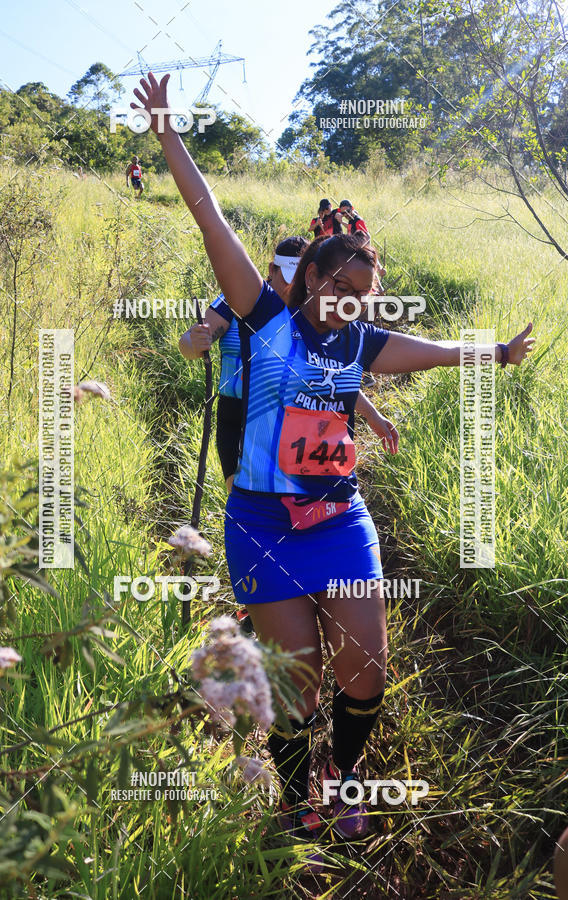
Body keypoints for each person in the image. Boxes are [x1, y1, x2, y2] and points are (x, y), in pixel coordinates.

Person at [132, 72, 535, 865]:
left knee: (365, 673)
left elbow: (438, 355)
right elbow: (209, 215)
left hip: (340, 521)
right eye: (348, 288)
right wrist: (169, 135)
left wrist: (495, 353)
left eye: (370, 295)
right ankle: (293, 796)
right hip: (260, 523)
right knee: (296, 687)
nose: (359, 304)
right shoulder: (263, 315)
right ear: (315, 278)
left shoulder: (360, 342)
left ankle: (343, 776)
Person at [179, 235, 399, 636]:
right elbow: (195, 340)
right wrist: (193, 343)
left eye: (292, 274)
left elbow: (335, 376)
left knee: (297, 500)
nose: (285, 281)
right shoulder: (238, 301)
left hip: (293, 420)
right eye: (280, 273)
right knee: (253, 499)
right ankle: (264, 604)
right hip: (240, 418)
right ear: (270, 271)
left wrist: (371, 414)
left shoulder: (306, 313)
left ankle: (299, 594)